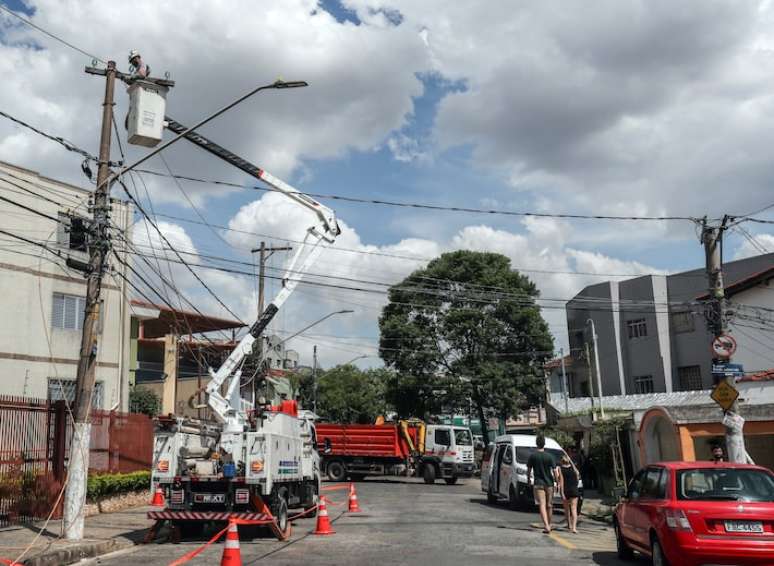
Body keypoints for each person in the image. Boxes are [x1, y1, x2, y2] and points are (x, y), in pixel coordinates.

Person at [527, 435, 557, 533]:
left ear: (536, 444)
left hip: (538, 483)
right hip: (549, 483)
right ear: (544, 443)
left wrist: (528, 480)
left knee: (542, 504)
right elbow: (555, 471)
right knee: (549, 504)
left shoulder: (533, 456)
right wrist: (557, 482)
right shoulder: (549, 456)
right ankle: (549, 523)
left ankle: (546, 526)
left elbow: (528, 470)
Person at [558, 454, 580, 533]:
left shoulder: (560, 469)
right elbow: (577, 477)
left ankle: (569, 525)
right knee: (574, 509)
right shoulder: (573, 469)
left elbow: (561, 482)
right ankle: (574, 528)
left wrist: (562, 493)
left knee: (567, 509)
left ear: (561, 461)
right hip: (574, 489)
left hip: (566, 490)